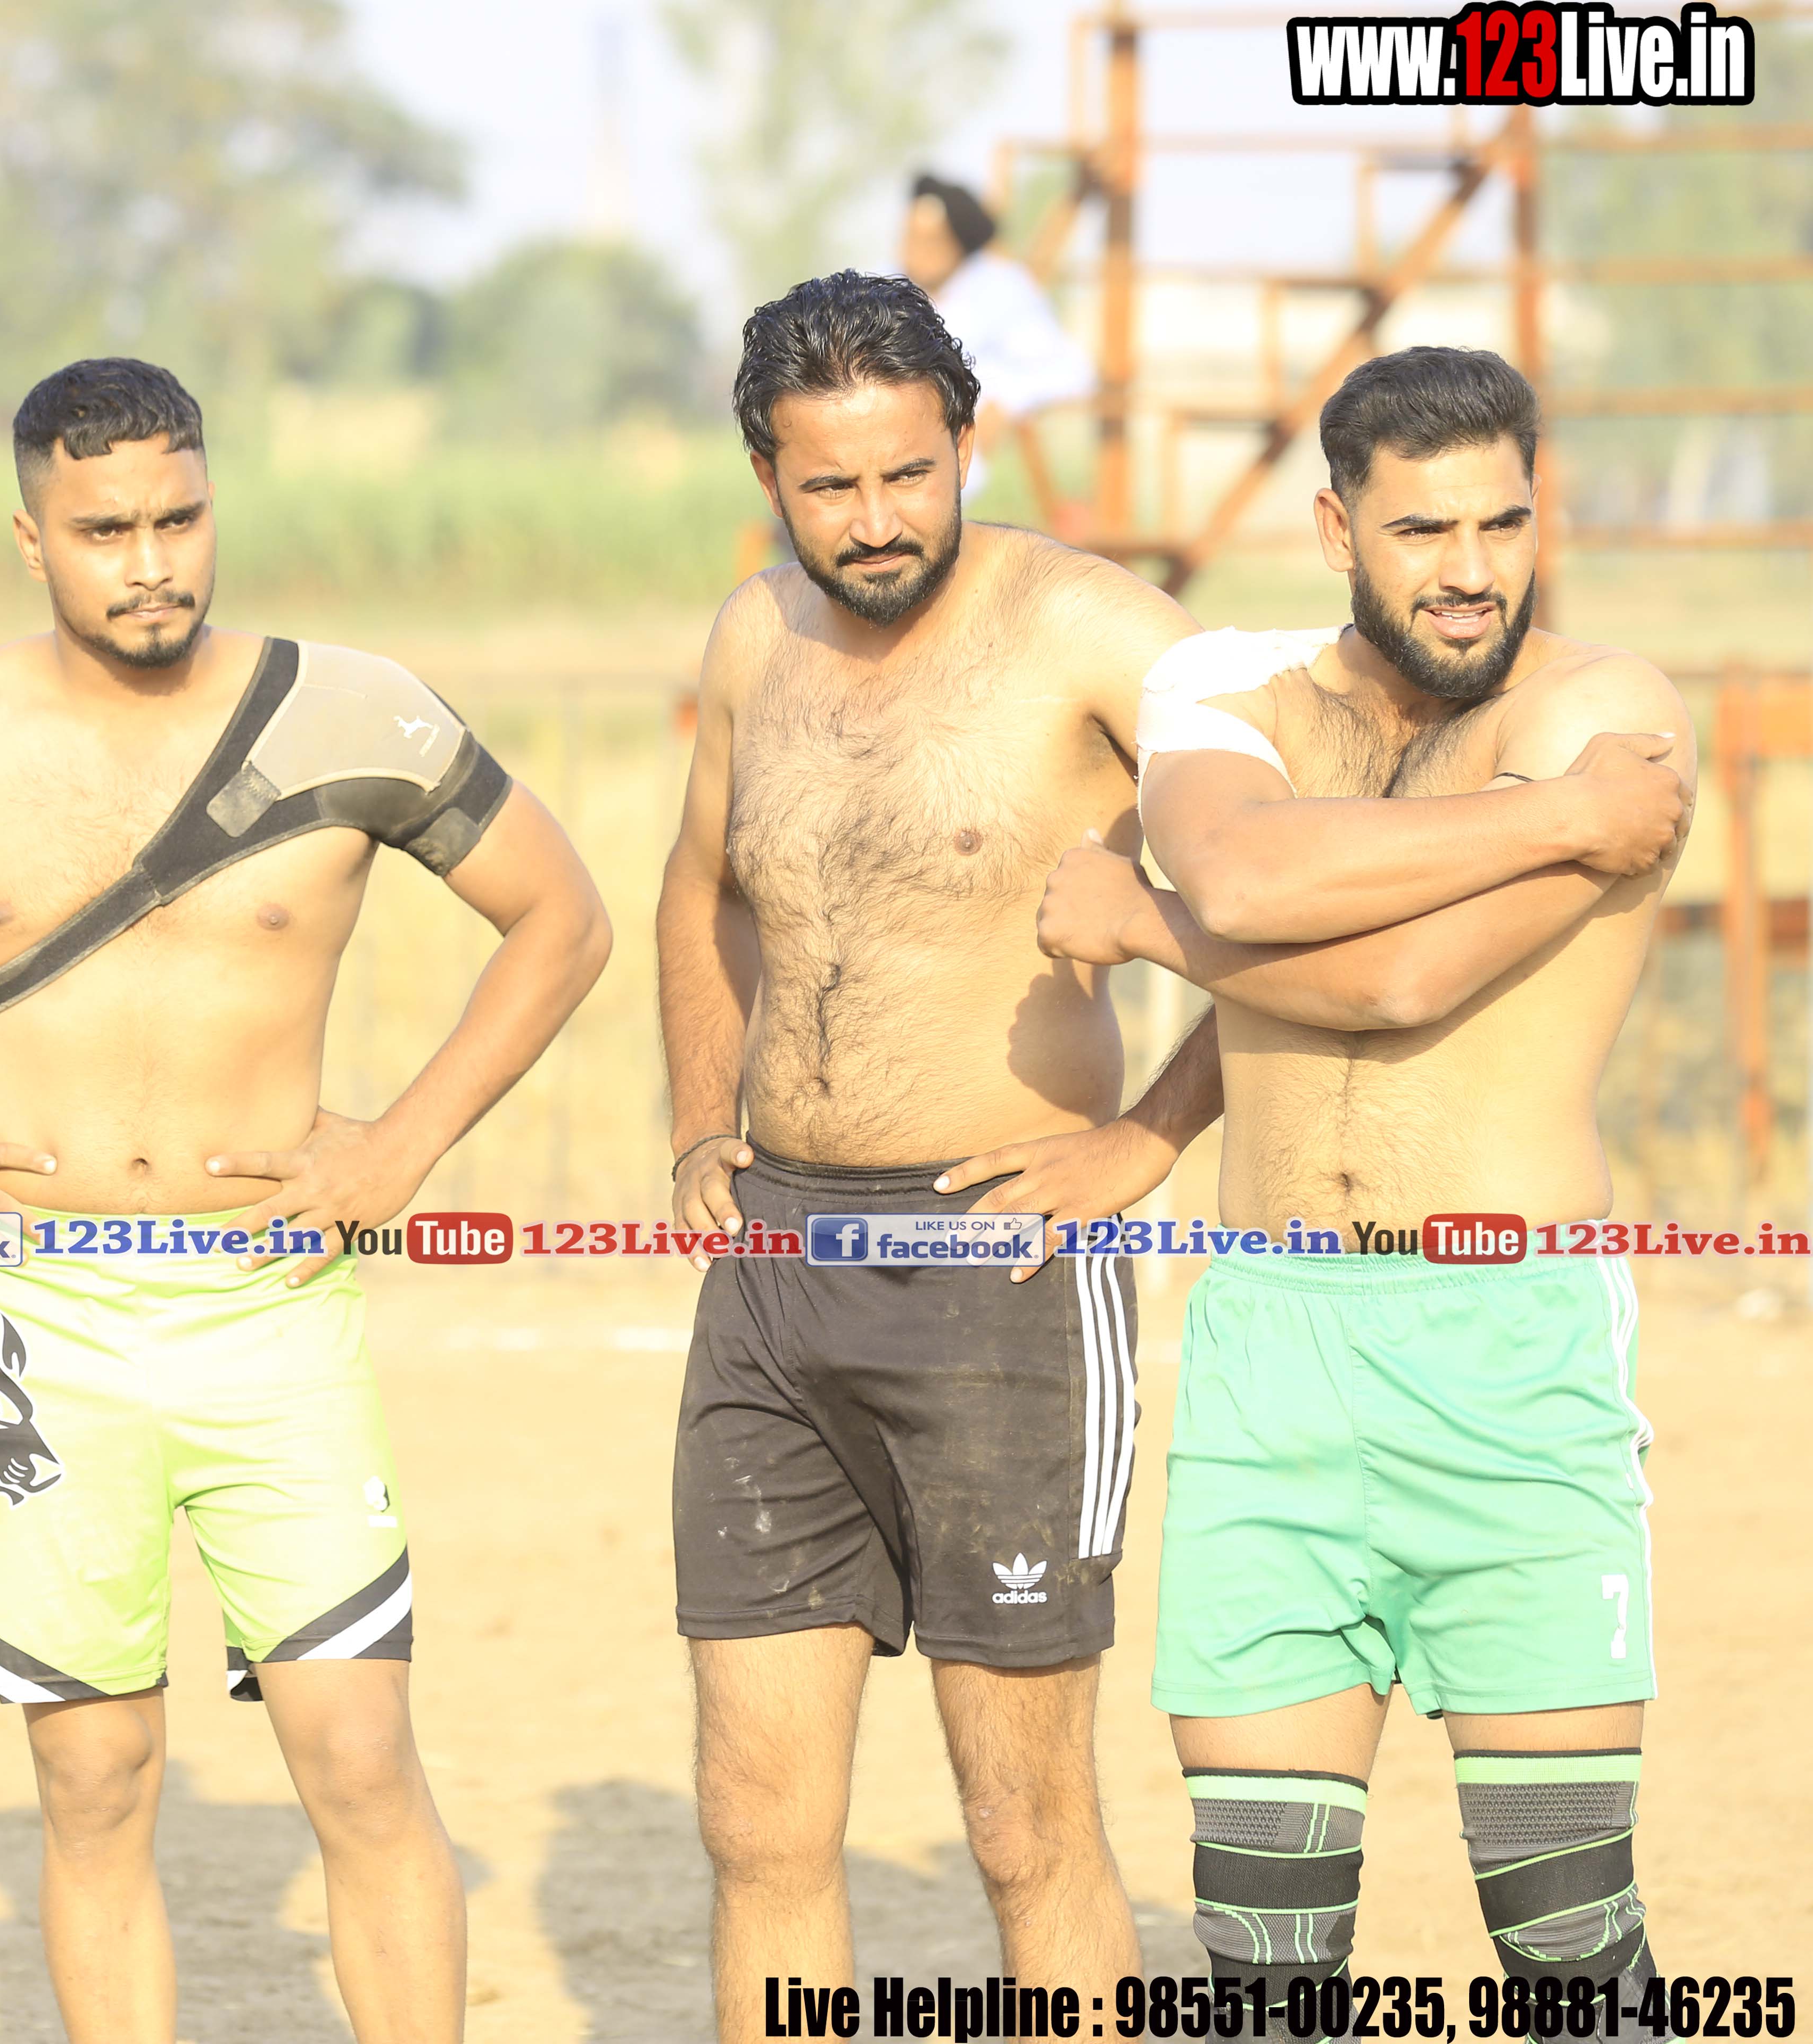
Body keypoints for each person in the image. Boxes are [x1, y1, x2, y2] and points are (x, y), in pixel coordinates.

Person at [0, 356, 609, 2043]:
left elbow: (564, 915)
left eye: (180, 517)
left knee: (360, 1755)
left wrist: (403, 1145)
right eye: (106, 530)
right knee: (95, 1777)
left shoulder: (353, 712)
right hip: (32, 1322)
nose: (153, 561)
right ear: (31, 538)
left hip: (272, 1309)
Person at [1033, 346, 1690, 2000]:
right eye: (1423, 530)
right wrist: (1555, 824)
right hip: (1275, 1350)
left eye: (1502, 522)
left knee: (1572, 1954)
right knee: (1266, 1967)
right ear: (1338, 528)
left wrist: (1149, 924)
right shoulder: (1236, 696)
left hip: (1507, 1352)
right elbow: (1251, 881)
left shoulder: (1609, 719)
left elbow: (1400, 981)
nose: (1472, 569)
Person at [657, 269, 1214, 2020]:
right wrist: (698, 1120)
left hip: (1007, 1274)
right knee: (755, 1820)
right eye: (831, 485)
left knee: (1021, 1826)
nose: (878, 518)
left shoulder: (1101, 633)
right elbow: (701, 889)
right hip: (776, 1276)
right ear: (768, 475)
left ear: (968, 440)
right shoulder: (755, 637)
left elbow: (1295, 889)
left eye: (910, 472)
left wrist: (1149, 1137)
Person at [900, 172, 1093, 504]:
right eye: (909, 237)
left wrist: (1004, 400)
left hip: (961, 469)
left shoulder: (1001, 291)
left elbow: (1071, 370)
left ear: (957, 245)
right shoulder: (885, 287)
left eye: (929, 241)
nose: (912, 250)